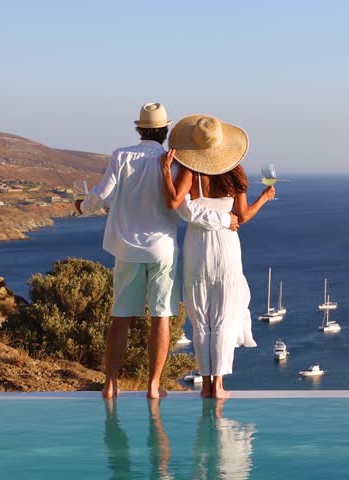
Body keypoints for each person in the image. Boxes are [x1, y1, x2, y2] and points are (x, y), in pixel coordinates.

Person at [76, 103, 239, 399]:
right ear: (166, 130)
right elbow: (184, 205)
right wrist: (226, 220)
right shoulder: (175, 161)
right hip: (162, 248)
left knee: (121, 317)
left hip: (126, 248)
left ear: (139, 128)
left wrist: (82, 207)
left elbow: (102, 194)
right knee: (161, 317)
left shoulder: (121, 156)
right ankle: (153, 385)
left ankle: (110, 383)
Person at [161, 114, 275, 399]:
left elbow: (181, 207)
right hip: (226, 248)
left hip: (197, 248)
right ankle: (219, 386)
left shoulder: (188, 172)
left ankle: (206, 384)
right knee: (223, 318)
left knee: (201, 320)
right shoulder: (236, 172)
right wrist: (264, 198)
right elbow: (243, 217)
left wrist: (167, 173)